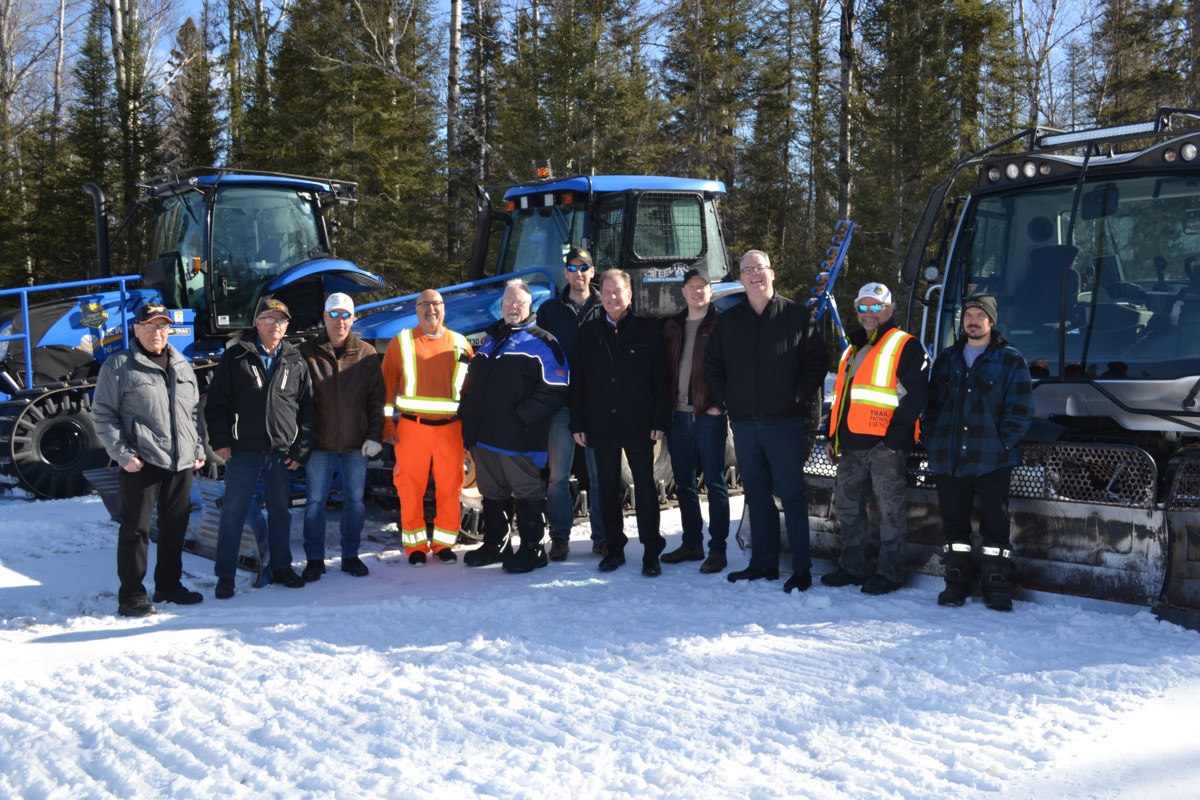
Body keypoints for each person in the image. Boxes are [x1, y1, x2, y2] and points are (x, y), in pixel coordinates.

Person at [705, 249, 826, 592]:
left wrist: (796, 395)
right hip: (745, 424)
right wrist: (725, 399)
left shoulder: (797, 316)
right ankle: (763, 563)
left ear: (772, 274)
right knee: (756, 495)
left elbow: (817, 362)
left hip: (783, 423)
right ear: (741, 279)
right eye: (747, 270)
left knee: (791, 495)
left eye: (759, 268)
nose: (754, 274)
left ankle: (801, 568)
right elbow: (713, 366)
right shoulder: (729, 322)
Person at [93, 301, 207, 617]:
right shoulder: (119, 366)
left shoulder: (182, 364)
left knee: (175, 526)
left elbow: (192, 413)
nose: (157, 332)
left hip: (180, 461)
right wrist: (123, 454)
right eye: (150, 325)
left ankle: (169, 585)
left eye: (162, 325)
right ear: (137, 328)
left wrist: (197, 449)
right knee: (136, 530)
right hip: (142, 461)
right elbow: (102, 414)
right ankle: (131, 595)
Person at [924, 294, 1033, 611]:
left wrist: (1002, 444)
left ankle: (996, 585)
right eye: (968, 315)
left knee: (996, 527)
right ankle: (956, 582)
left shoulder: (1010, 360)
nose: (972, 321)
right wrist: (934, 440)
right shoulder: (947, 359)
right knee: (954, 526)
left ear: (991, 321)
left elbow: (1021, 409)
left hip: (992, 461)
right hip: (950, 460)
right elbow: (931, 407)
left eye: (979, 316)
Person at [821, 282, 928, 595]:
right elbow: (842, 399)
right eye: (863, 307)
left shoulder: (905, 345)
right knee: (848, 508)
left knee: (889, 511)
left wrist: (892, 440)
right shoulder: (852, 348)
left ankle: (890, 573)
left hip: (885, 447)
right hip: (851, 445)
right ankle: (853, 566)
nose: (869, 313)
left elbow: (916, 397)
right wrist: (832, 436)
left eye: (876, 307)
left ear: (890, 309)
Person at [205, 297, 314, 599]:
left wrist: (300, 450)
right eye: (268, 318)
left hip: (281, 454)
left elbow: (307, 409)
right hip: (244, 451)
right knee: (233, 515)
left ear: (287, 325)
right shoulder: (236, 356)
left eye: (281, 319)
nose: (275, 324)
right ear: (256, 322)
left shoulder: (295, 360)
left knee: (280, 514)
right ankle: (225, 576)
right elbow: (217, 403)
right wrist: (221, 441)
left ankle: (282, 568)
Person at [459, 280, 568, 573]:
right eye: (508, 301)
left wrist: (521, 418)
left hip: (519, 439)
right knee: (492, 492)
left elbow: (556, 389)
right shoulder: (490, 340)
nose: (513, 307)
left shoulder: (543, 341)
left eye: (519, 302)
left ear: (530, 305)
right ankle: (497, 544)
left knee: (527, 492)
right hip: (484, 436)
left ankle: (533, 549)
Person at [570, 269, 669, 576]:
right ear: (601, 296)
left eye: (618, 292)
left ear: (629, 295)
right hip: (600, 421)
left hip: (638, 422)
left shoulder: (648, 331)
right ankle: (614, 548)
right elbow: (578, 381)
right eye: (607, 292)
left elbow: (661, 380)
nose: (612, 297)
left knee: (645, 486)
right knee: (607, 487)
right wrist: (577, 422)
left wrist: (660, 418)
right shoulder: (588, 332)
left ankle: (651, 550)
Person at [381, 289, 473, 566]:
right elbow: (385, 387)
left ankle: (444, 544)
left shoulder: (460, 343)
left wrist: (470, 429)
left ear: (444, 308)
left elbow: (470, 392)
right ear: (416, 309)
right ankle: (416, 547)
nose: (430, 309)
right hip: (412, 428)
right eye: (424, 304)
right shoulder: (401, 342)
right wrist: (386, 425)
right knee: (410, 489)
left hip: (451, 429)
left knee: (450, 488)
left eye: (435, 304)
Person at [298, 292, 386, 582]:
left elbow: (376, 399)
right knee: (315, 501)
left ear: (353, 318)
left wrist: (375, 435)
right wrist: (301, 440)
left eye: (345, 315)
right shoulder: (306, 352)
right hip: (319, 443)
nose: (340, 320)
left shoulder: (366, 353)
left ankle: (350, 556)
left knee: (355, 501)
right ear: (325, 317)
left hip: (356, 443)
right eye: (334, 314)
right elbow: (297, 400)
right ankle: (314, 559)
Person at [536, 246, 607, 559]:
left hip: (597, 404)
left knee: (599, 474)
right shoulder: (550, 310)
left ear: (592, 272)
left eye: (584, 267)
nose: (579, 273)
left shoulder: (605, 305)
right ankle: (560, 536)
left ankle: (602, 536)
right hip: (562, 404)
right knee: (558, 476)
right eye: (573, 267)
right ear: (565, 272)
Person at [661, 268, 730, 574]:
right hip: (677, 416)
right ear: (683, 292)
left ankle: (717, 549)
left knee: (714, 482)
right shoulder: (672, 326)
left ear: (711, 291)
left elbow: (734, 368)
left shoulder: (722, 325)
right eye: (691, 286)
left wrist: (719, 405)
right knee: (684, 483)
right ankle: (692, 543)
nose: (697, 291)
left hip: (708, 415)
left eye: (702, 286)